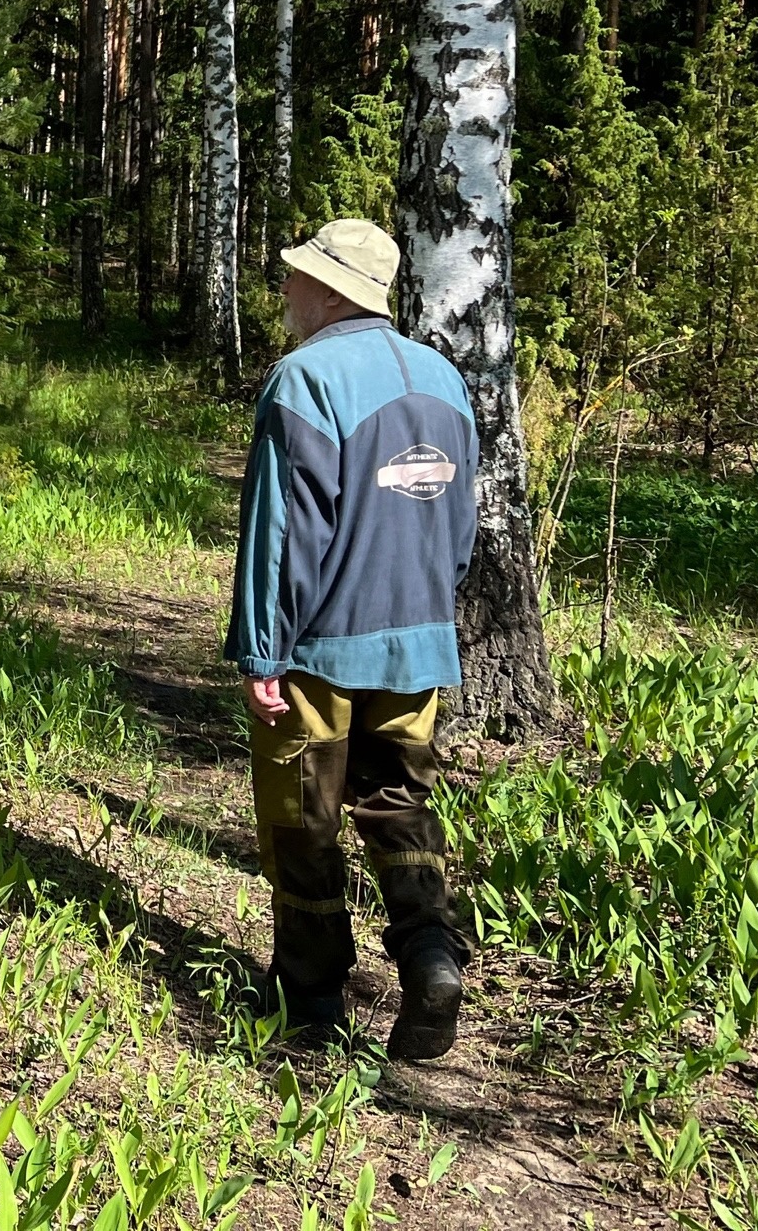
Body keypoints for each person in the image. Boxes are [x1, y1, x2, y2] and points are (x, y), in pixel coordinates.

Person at [224, 217, 477, 1061]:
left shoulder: (304, 380)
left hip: (322, 648)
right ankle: (431, 954)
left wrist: (263, 652)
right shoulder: (444, 380)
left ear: (331, 290)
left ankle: (311, 998)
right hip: (419, 642)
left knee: (304, 817)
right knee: (399, 802)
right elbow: (462, 527)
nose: (286, 291)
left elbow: (281, 531)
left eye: (296, 278)